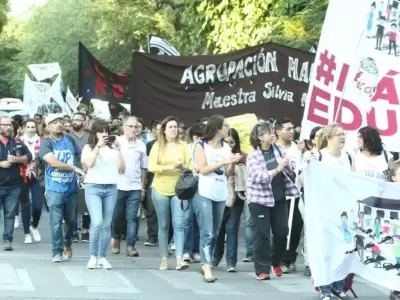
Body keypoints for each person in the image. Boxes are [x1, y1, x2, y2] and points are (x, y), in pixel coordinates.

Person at [246, 122, 299, 281]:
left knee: (282, 232)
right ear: (260, 137)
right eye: (268, 133)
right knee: (262, 234)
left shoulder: (278, 149)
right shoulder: (253, 155)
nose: (272, 135)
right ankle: (261, 269)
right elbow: (259, 177)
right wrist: (278, 168)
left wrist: (288, 165)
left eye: (272, 132)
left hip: (279, 197)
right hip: (259, 200)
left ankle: (276, 261)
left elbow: (288, 170)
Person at [192, 115, 241, 282]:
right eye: (225, 125)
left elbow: (227, 174)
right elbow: (203, 169)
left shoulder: (226, 146)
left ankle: (205, 261)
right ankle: (207, 267)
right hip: (204, 191)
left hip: (221, 191)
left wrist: (232, 162)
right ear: (218, 128)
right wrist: (223, 162)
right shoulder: (201, 145)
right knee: (207, 230)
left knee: (215, 231)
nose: (228, 128)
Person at [38, 114, 85, 262]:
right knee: (56, 222)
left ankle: (67, 244)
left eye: (60, 121)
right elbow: (53, 162)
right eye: (54, 122)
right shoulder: (46, 143)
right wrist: (73, 168)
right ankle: (56, 252)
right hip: (54, 189)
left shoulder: (70, 139)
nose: (59, 124)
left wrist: (84, 170)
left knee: (71, 221)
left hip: (71, 188)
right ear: (48, 126)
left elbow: (82, 156)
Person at [148, 116, 191, 271]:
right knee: (164, 225)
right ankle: (164, 258)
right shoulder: (157, 146)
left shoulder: (184, 146)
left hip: (179, 188)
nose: (174, 129)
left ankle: (179, 258)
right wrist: (170, 167)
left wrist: (182, 167)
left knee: (179, 224)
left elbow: (190, 167)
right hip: (159, 188)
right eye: (170, 127)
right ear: (164, 130)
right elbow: (152, 167)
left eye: (175, 127)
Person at [81, 120, 125, 269]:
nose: (104, 134)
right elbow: (89, 164)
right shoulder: (89, 147)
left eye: (106, 131)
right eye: (101, 131)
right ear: (95, 133)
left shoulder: (113, 149)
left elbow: (121, 168)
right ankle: (93, 256)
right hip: (93, 186)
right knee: (97, 222)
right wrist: (98, 147)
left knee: (106, 225)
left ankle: (102, 256)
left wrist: (119, 150)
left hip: (111, 187)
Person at [111, 116, 147, 257]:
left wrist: (143, 187)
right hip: (118, 185)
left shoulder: (141, 145)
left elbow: (144, 168)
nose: (133, 129)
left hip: (135, 186)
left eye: (135, 126)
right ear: (123, 127)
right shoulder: (116, 142)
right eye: (130, 126)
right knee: (117, 216)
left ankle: (131, 245)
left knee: (132, 217)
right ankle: (116, 239)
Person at [0, 116, 32, 251]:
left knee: (10, 214)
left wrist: (16, 159)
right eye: (5, 125)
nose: (9, 127)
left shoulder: (17, 142)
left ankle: (8, 240)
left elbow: (29, 156)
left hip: (13, 186)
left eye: (10, 125)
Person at [19, 119, 44, 244]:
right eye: (28, 127)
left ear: (36, 128)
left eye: (32, 127)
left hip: (37, 176)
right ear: (24, 128)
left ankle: (34, 226)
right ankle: (26, 234)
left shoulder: (42, 141)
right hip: (22, 176)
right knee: (25, 205)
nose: (30, 129)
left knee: (38, 206)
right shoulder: (18, 141)